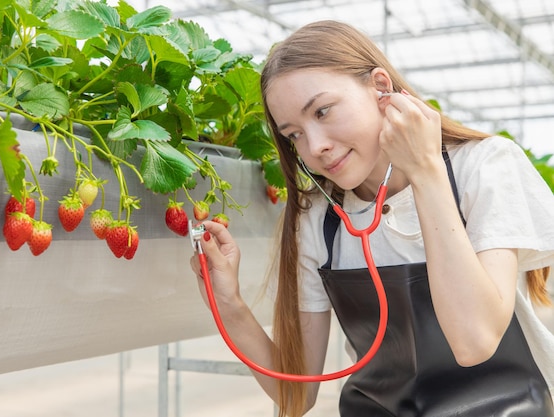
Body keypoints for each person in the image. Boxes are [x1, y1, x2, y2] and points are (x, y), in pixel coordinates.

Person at [190, 20, 554, 417]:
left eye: (323, 111)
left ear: (381, 87)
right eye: (293, 134)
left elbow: (474, 342)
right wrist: (228, 301)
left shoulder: (485, 166)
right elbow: (296, 394)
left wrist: (425, 170)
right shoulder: (318, 219)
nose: (316, 147)